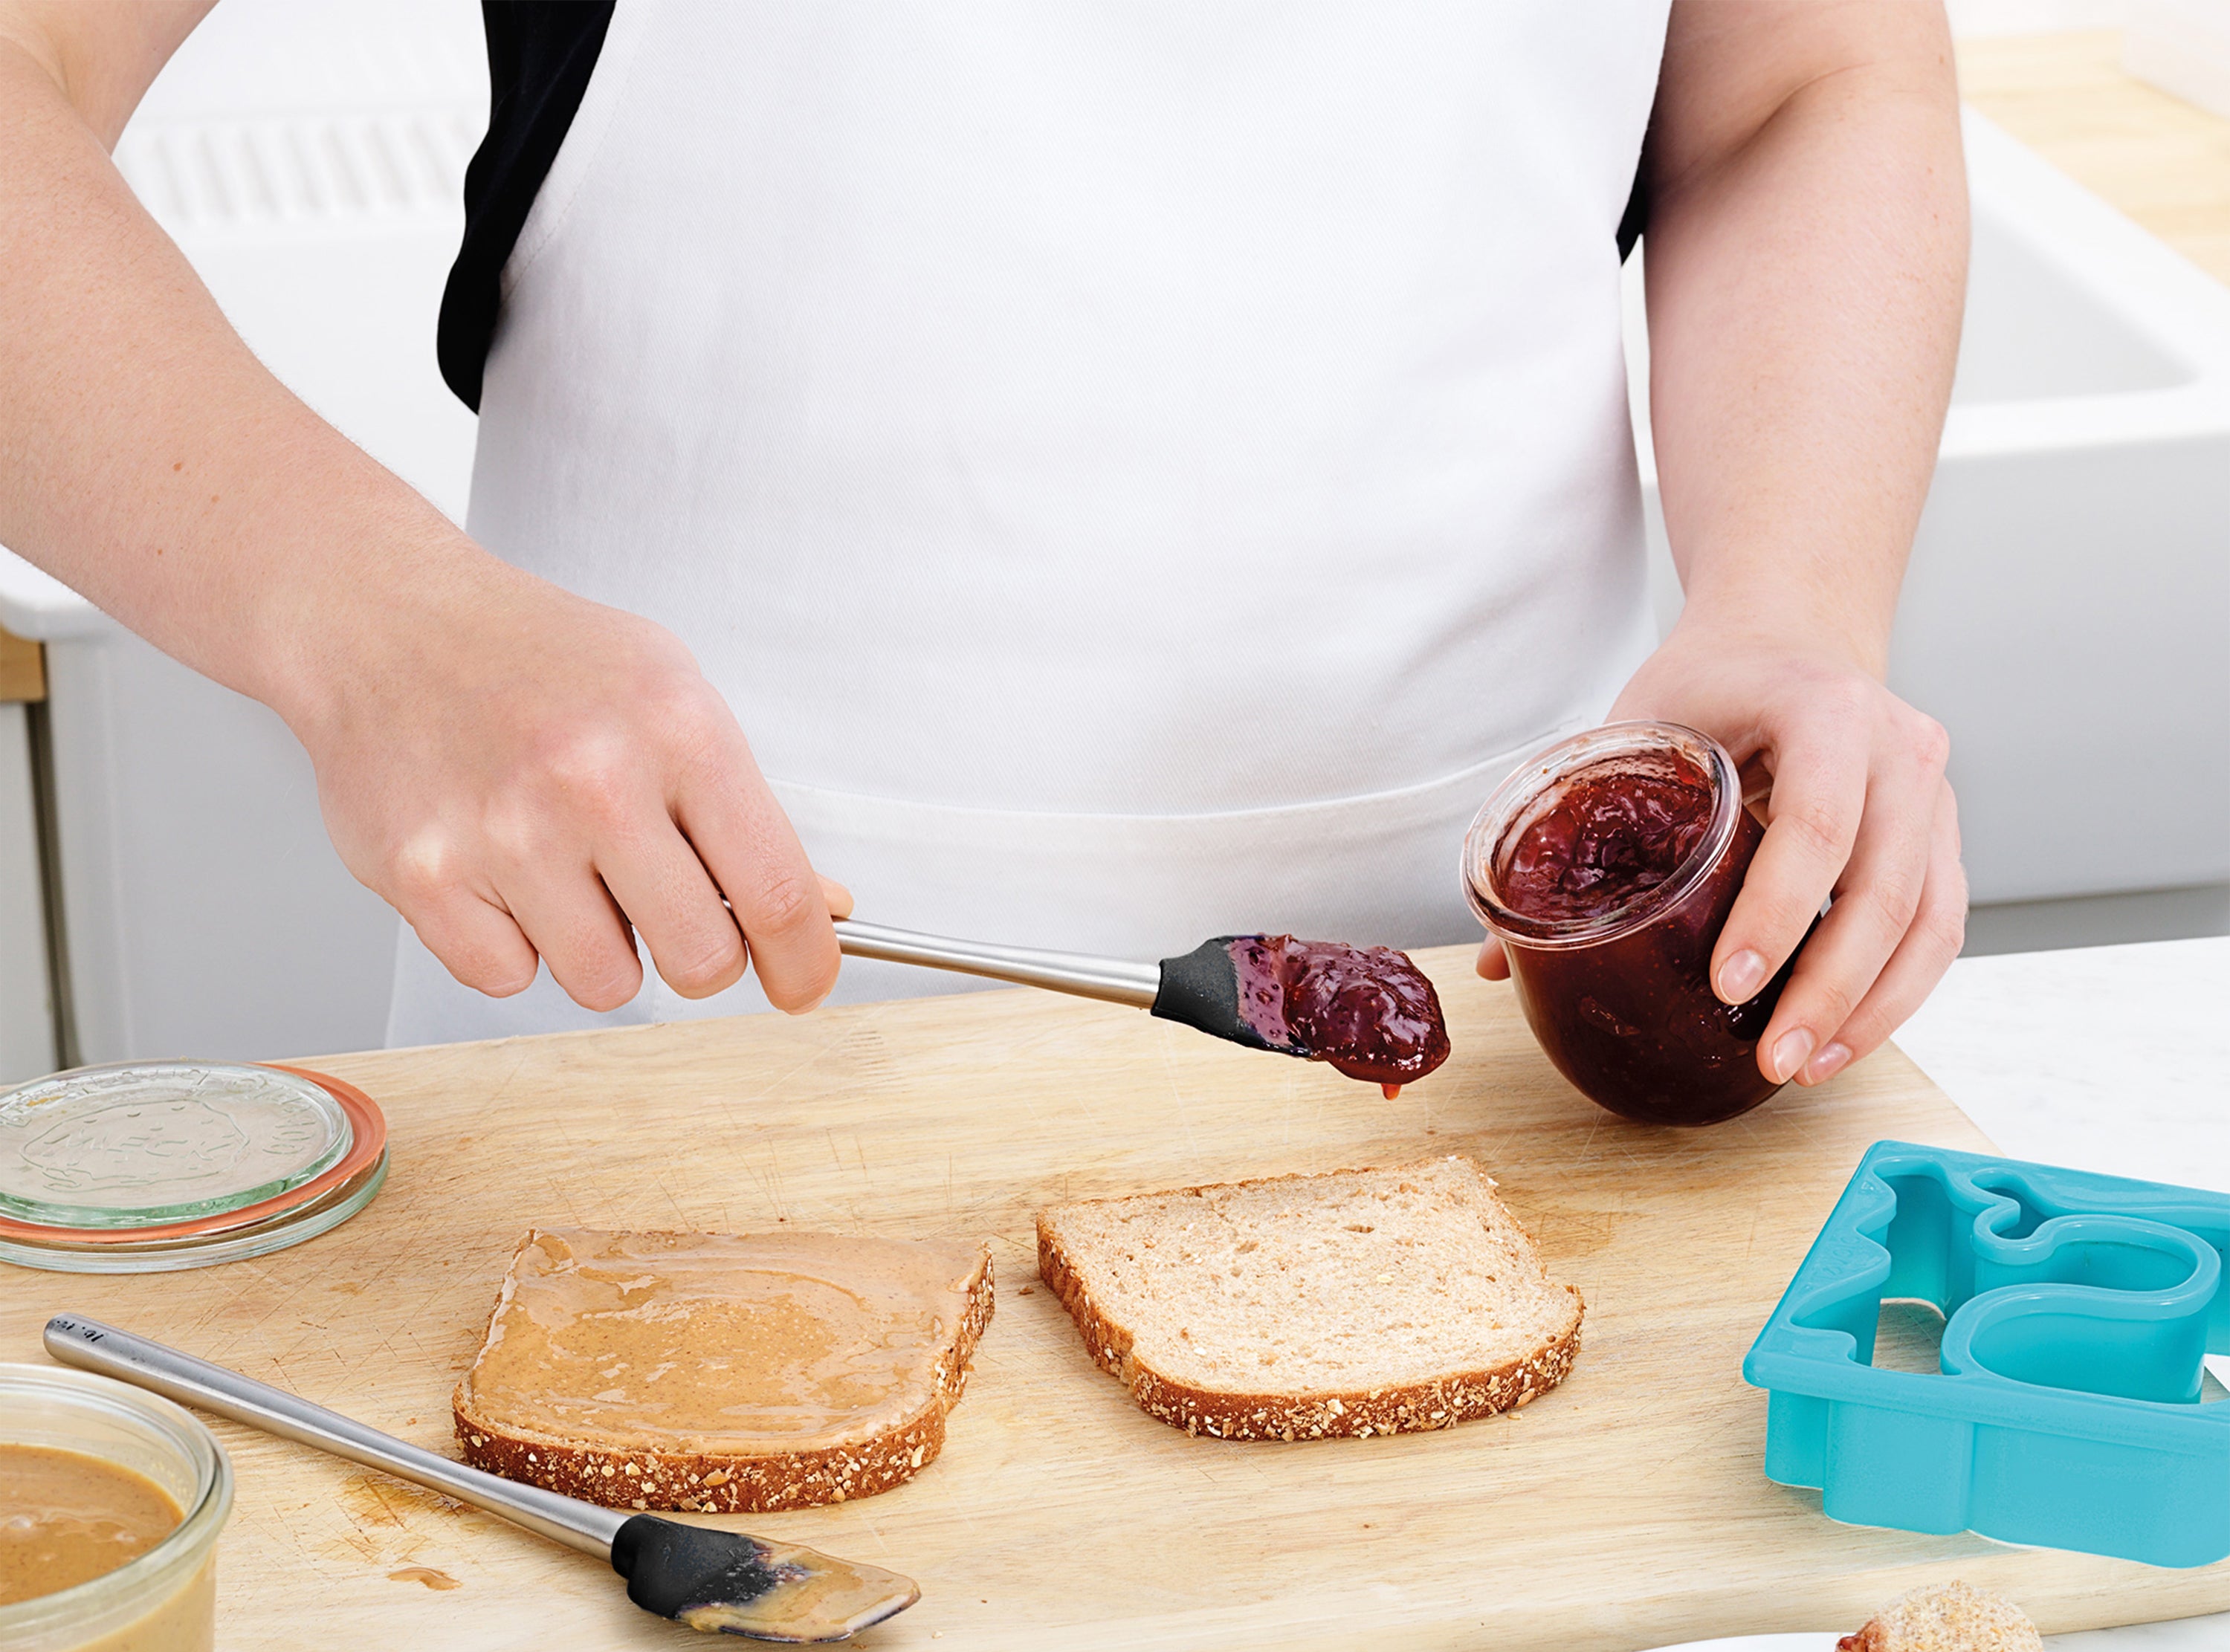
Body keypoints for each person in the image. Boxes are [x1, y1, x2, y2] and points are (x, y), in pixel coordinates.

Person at [0, 1, 1967, 1087]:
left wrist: (1793, 601)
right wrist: (368, 619)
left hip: (1514, 1046)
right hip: (677, 1028)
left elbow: (1802, 82)